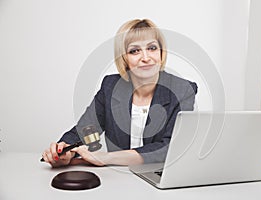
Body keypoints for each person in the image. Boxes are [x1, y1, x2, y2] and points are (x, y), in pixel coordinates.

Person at [42, 19, 198, 167]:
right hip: (118, 181)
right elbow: (84, 131)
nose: (146, 57)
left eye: (152, 48)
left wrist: (107, 158)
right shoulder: (110, 86)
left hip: (161, 179)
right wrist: (66, 152)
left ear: (161, 53)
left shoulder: (183, 90)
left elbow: (171, 148)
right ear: (124, 58)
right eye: (134, 51)